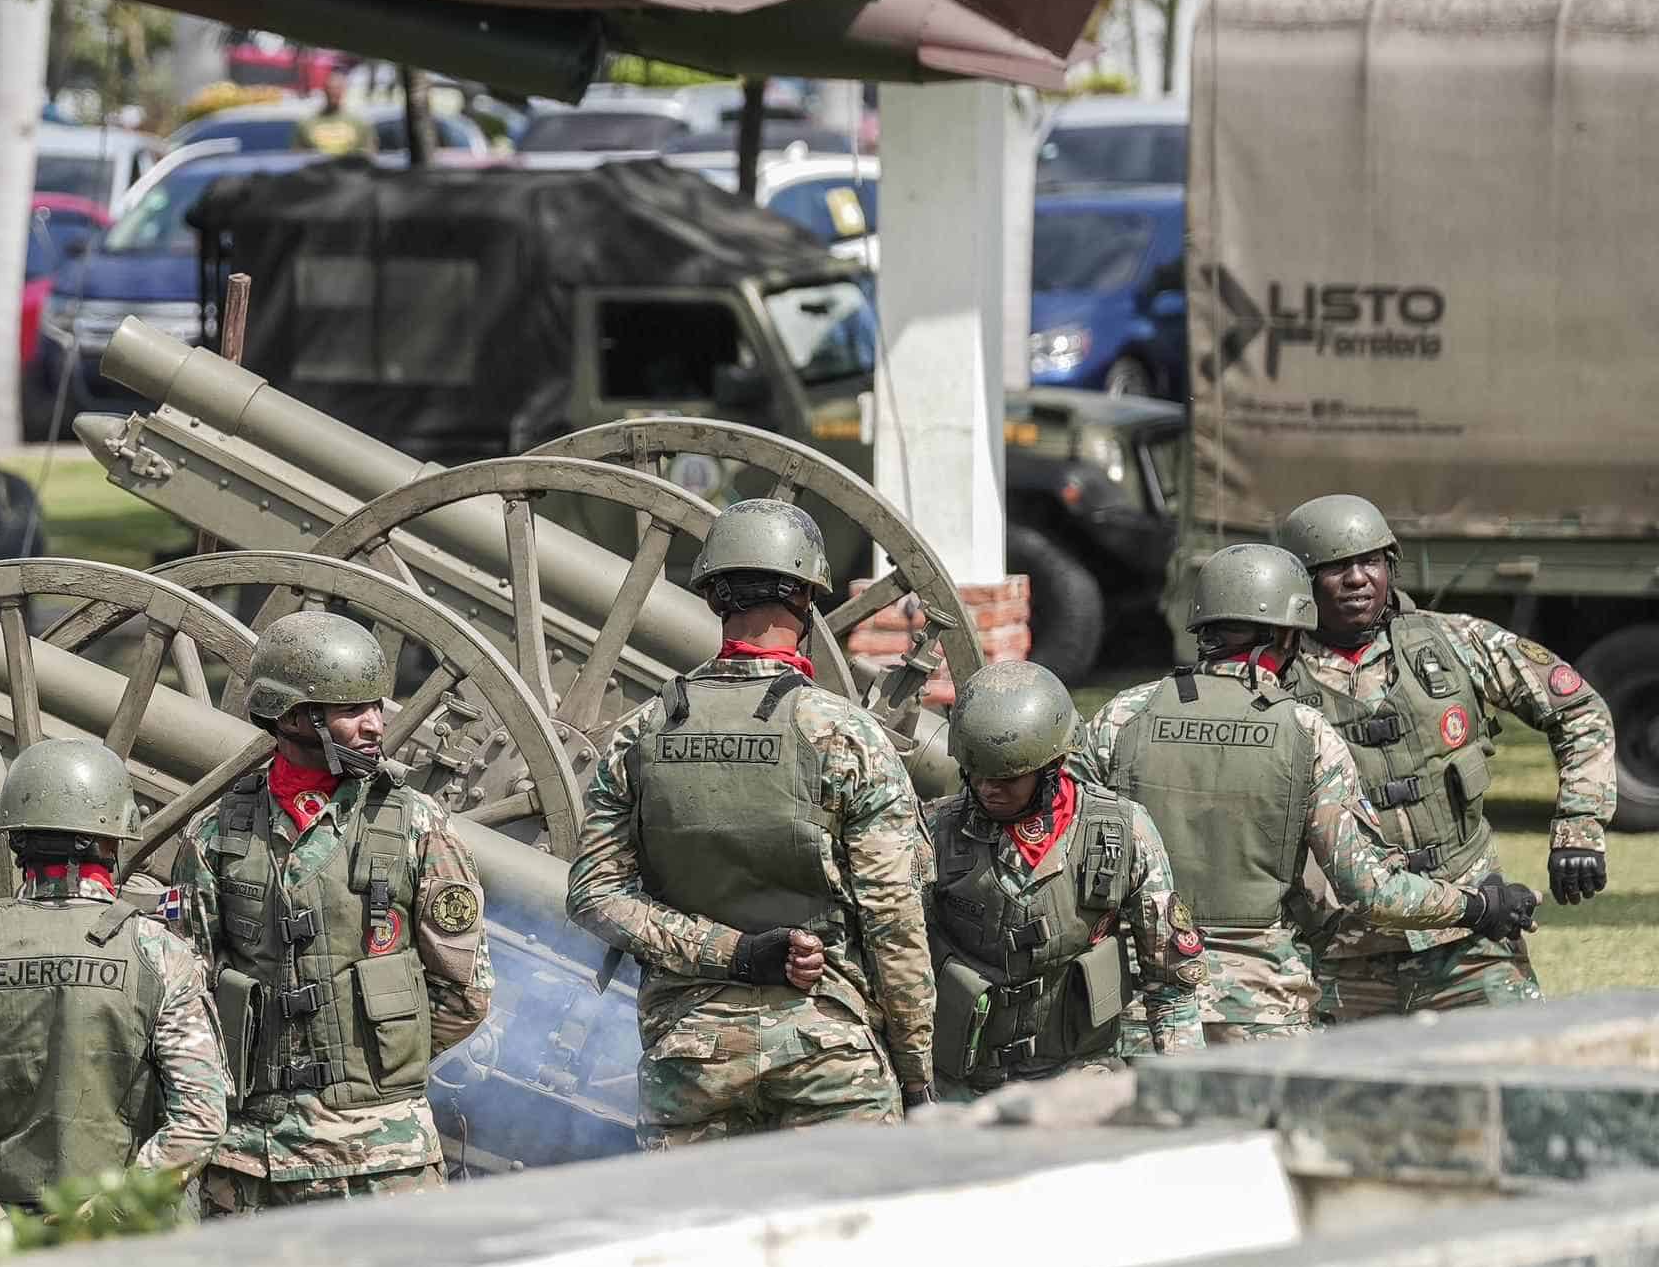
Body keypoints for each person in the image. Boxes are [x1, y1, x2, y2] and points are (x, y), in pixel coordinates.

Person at [567, 498, 934, 1136]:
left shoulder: (642, 733)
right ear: (806, 599)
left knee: (698, 1237)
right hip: (829, 1052)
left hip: (692, 1058)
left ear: (715, 599)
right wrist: (917, 1072)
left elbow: (594, 896)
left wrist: (732, 953)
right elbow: (893, 917)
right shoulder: (846, 735)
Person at [1072, 543, 1528, 1043]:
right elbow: (1371, 889)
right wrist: (1477, 906)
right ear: (1288, 634)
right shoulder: (1306, 732)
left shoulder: (1122, 717)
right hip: (1262, 1011)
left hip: (1136, 1005)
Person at [163, 608, 492, 1207]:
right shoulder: (215, 836)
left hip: (386, 1158)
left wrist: (380, 1059)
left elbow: (466, 992)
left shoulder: (416, 825)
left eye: (377, 707)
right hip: (252, 1161)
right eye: (352, 710)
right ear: (294, 717)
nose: (375, 725)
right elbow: (183, 997)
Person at [1275, 493, 1615, 1021]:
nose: (1358, 579)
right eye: (1335, 568)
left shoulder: (1456, 642)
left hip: (1473, 935)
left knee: (1520, 1077)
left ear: (1391, 566)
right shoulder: (1270, 680)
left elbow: (1579, 709)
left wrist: (1579, 825)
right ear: (1301, 581)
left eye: (1370, 562)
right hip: (1339, 954)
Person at [0, 739, 227, 1211]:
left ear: (15, 838)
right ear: (112, 841)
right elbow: (200, 1118)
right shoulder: (161, 957)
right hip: (128, 1238)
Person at [923, 661, 1208, 1093]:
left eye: (1008, 778)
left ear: (1052, 765)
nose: (987, 789)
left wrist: (1190, 1088)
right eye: (976, 774)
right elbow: (896, 959)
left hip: (1080, 1075)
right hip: (961, 1084)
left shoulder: (1122, 830)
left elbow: (1170, 981)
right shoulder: (934, 832)